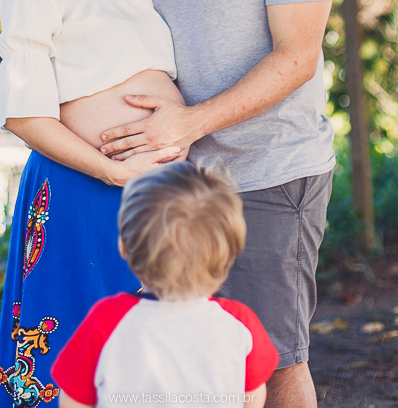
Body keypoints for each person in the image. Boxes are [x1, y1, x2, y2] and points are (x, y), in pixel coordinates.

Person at [99, 0, 336, 408]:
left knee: (274, 358)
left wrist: (189, 122)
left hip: (271, 172)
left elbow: (297, 58)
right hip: (178, 183)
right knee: (182, 364)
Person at [0, 0, 187, 408]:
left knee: (158, 352)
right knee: (78, 351)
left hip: (161, 187)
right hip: (85, 191)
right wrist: (111, 171)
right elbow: (25, 116)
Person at [50, 161, 278, 408]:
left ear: (124, 248)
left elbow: (73, 401)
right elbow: (252, 398)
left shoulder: (106, 321)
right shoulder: (239, 322)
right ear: (228, 254)